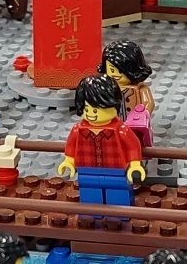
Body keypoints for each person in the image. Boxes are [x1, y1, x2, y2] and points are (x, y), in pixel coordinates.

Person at [59, 75, 146, 209]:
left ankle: (119, 216)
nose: (91, 114)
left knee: (118, 195)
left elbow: (132, 146)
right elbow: (71, 146)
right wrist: (69, 161)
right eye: (87, 109)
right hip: (87, 171)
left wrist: (135, 164)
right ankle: (90, 216)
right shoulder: (78, 130)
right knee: (90, 196)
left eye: (96, 109)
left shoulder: (121, 130)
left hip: (116, 172)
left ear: (114, 105)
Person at [99, 40, 156, 146]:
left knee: (134, 142)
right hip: (111, 123)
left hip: (133, 124)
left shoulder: (141, 89)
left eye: (122, 71)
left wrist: (144, 113)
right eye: (112, 70)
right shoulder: (107, 88)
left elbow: (148, 102)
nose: (116, 74)